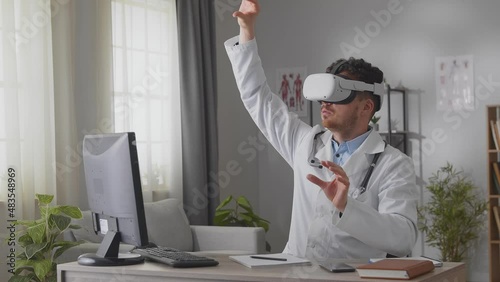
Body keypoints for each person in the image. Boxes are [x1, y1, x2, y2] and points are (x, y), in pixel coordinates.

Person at [225, 0, 418, 260]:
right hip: (294, 272)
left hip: (351, 278)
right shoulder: (305, 142)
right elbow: (257, 98)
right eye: (324, 93)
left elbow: (403, 238)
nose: (325, 102)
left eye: (339, 93)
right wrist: (246, 33)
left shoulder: (394, 164)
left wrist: (347, 207)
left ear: (366, 107)